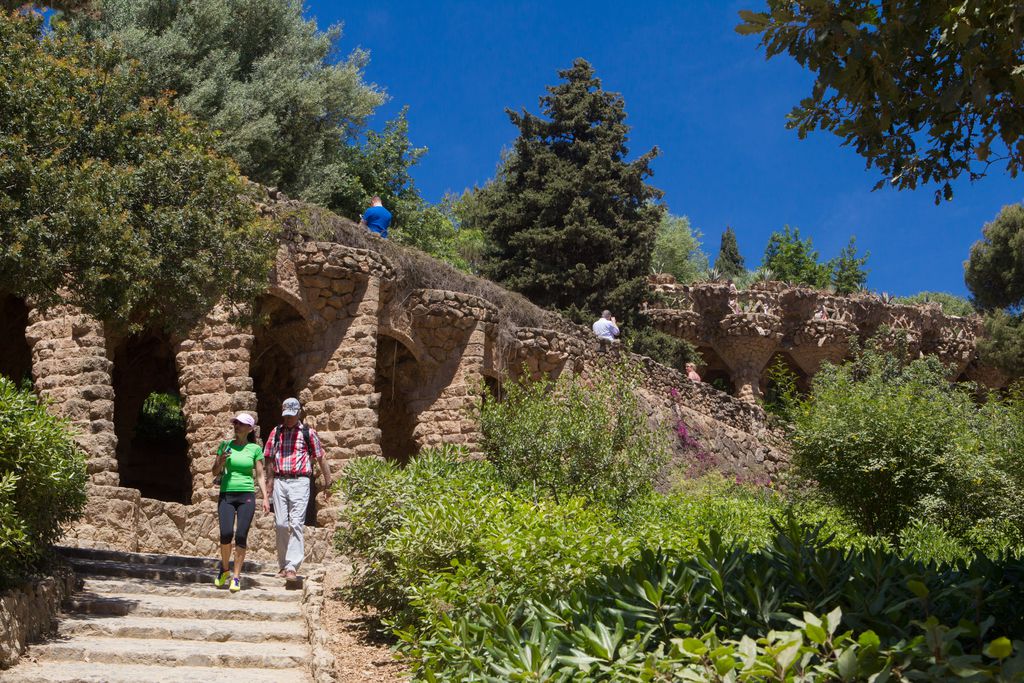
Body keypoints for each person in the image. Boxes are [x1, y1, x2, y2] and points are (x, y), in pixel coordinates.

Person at [263, 398, 333, 583]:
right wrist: (269, 484)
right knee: (280, 524)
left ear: (298, 414)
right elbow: (269, 458)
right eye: (285, 415)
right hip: (280, 481)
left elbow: (320, 457)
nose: (288, 419)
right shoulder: (276, 432)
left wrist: (328, 481)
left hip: (300, 481)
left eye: (291, 416)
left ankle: (292, 566)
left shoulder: (308, 433)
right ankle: (283, 565)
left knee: (295, 523)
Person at [212, 413, 269, 593]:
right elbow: (214, 471)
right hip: (226, 494)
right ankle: (225, 569)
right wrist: (220, 461)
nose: (237, 426)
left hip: (246, 495)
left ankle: (236, 577)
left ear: (250, 428)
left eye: (242, 424)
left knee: (241, 536)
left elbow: (260, 474)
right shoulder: (225, 445)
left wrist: (266, 497)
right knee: (226, 533)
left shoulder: (255, 449)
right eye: (235, 423)